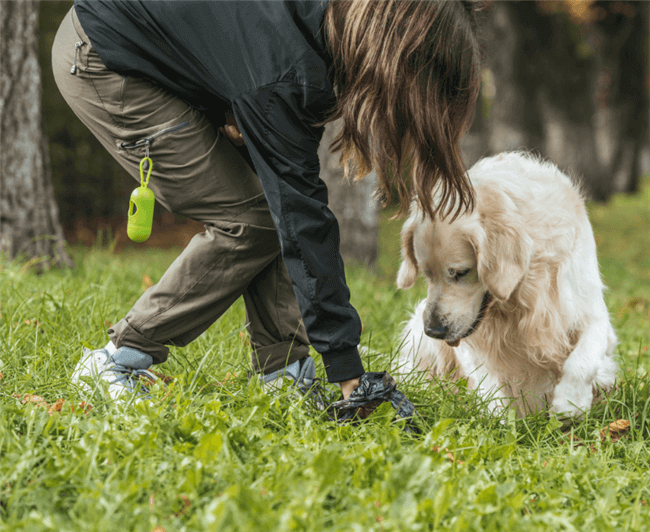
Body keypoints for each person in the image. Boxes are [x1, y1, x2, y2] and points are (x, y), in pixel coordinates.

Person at [52, 0, 482, 406]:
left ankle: (284, 376)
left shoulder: (322, 34)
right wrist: (349, 373)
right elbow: (301, 217)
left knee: (271, 201)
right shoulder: (289, 66)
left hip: (160, 55)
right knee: (251, 218)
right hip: (102, 58)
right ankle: (117, 359)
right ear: (393, 52)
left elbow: (291, 193)